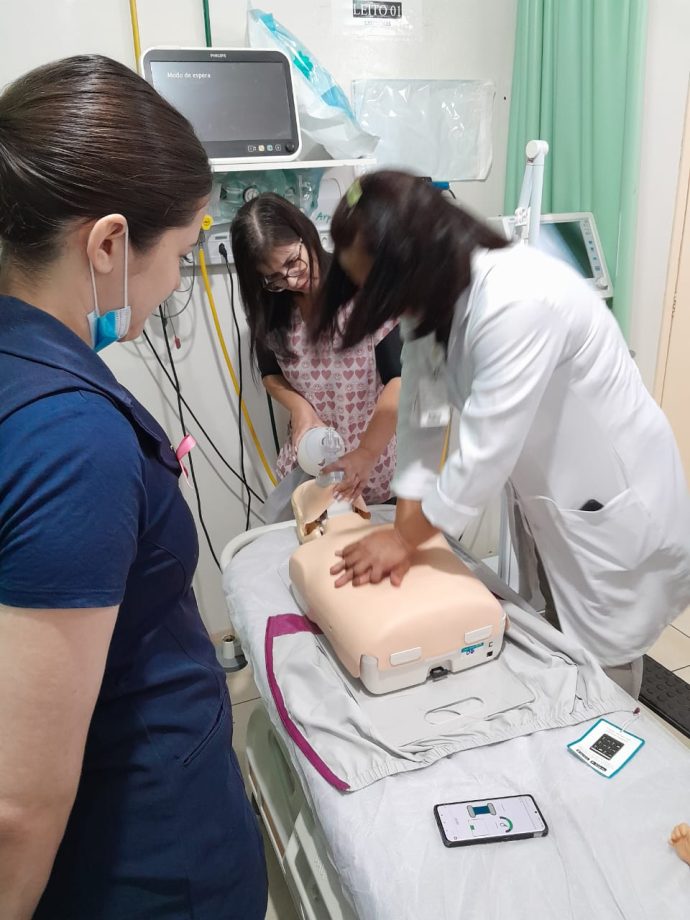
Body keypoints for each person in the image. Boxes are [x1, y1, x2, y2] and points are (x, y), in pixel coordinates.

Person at [0, 56, 266, 919]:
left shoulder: (24, 363)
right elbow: (15, 814)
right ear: (109, 244)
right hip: (146, 864)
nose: (177, 282)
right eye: (181, 255)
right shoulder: (71, 440)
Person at [316, 170, 690, 698]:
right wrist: (405, 530)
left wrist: (403, 541)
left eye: (378, 289)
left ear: (412, 262)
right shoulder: (431, 306)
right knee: (555, 632)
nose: (381, 306)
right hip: (550, 492)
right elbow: (422, 419)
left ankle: (611, 720)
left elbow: (484, 453)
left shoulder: (518, 298)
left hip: (611, 495)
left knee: (607, 655)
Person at [231, 192, 401, 504]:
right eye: (274, 278)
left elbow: (398, 379)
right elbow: (270, 374)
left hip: (370, 464)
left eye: (292, 262)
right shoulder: (272, 307)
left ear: (304, 231)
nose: (292, 281)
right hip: (309, 467)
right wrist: (300, 407)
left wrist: (366, 452)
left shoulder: (362, 287)